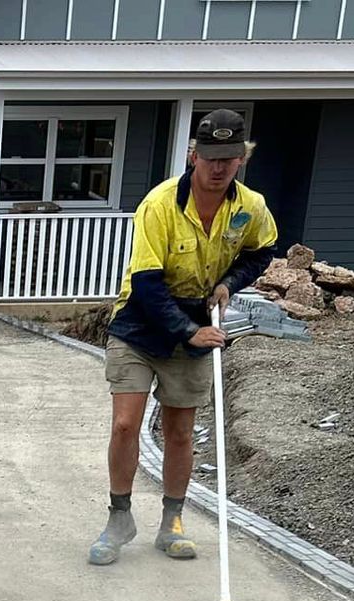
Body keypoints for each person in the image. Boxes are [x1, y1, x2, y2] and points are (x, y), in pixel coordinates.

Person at [91, 110, 277, 566]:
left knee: (179, 432)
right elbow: (149, 283)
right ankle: (119, 516)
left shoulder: (250, 207)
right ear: (194, 156)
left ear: (241, 160)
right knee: (125, 424)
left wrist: (230, 283)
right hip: (140, 322)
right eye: (210, 158)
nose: (218, 168)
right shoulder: (159, 206)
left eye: (229, 159)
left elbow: (262, 251)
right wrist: (189, 332)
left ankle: (172, 522)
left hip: (200, 317)